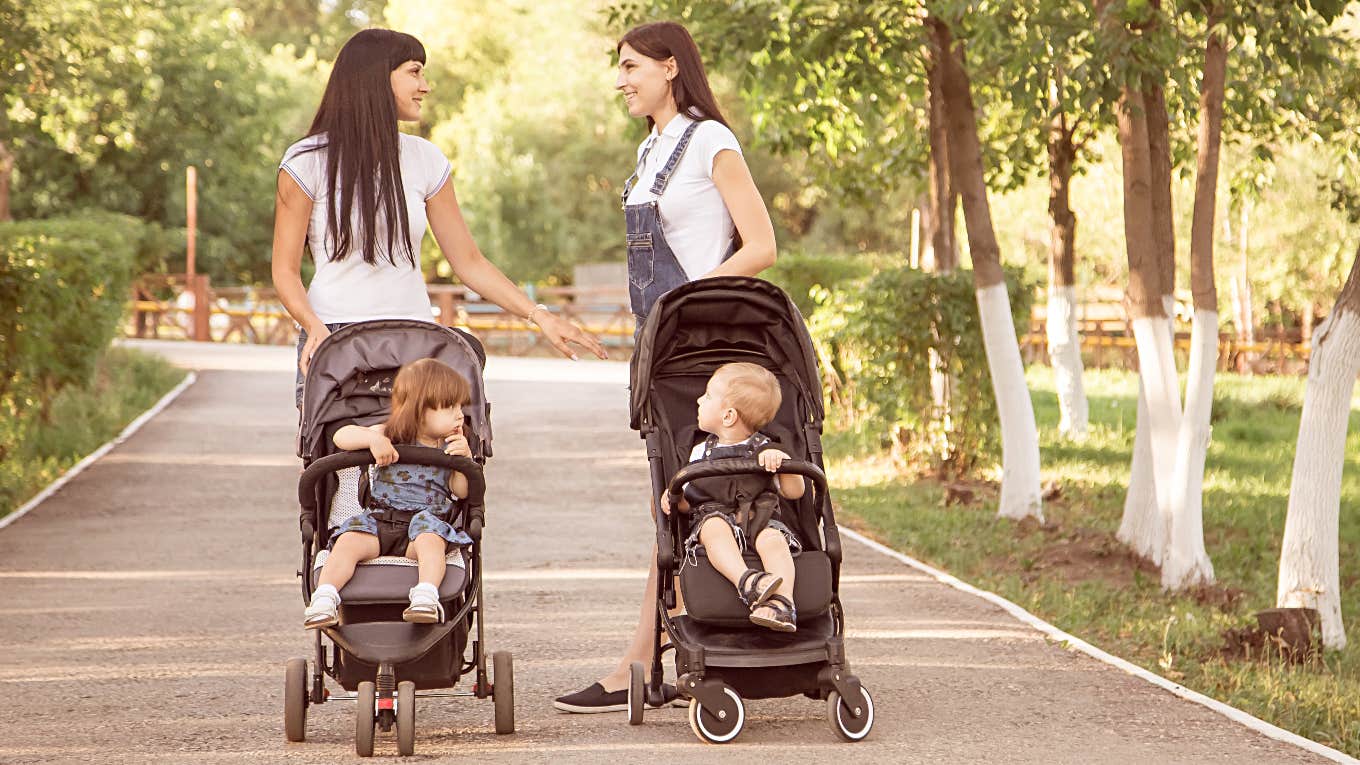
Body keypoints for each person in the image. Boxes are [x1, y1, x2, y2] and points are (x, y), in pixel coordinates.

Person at [554, 20, 779, 713]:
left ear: (670, 66)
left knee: (687, 500)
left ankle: (644, 663)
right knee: (672, 503)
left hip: (703, 351)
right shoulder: (651, 150)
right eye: (618, 69)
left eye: (630, 67)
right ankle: (659, 657)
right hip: (661, 352)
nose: (620, 80)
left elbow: (763, 245)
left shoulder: (710, 140)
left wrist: (687, 300)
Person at [272, 28, 605, 408]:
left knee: (422, 463)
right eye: (414, 72)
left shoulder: (426, 160)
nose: (425, 86)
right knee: (344, 462)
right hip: (333, 338)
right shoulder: (306, 162)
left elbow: (468, 261)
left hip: (415, 339)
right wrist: (313, 325)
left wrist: (539, 315)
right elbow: (284, 270)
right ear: (376, 77)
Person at [304, 358, 474, 628]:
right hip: (378, 521)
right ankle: (325, 598)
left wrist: (465, 462)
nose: (459, 415)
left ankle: (426, 596)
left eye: (459, 407)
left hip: (422, 525)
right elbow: (341, 437)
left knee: (432, 541)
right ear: (419, 411)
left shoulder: (450, 446)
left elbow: (461, 491)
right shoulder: (389, 434)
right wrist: (373, 440)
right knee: (348, 542)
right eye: (449, 407)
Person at [662, 362, 804, 632]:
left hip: (760, 519)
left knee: (774, 539)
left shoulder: (767, 450)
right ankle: (748, 582)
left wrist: (783, 463)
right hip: (714, 517)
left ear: (728, 416)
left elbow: (795, 492)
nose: (699, 400)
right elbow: (687, 503)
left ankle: (783, 604)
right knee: (714, 528)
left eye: (708, 395)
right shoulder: (699, 453)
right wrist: (673, 497)